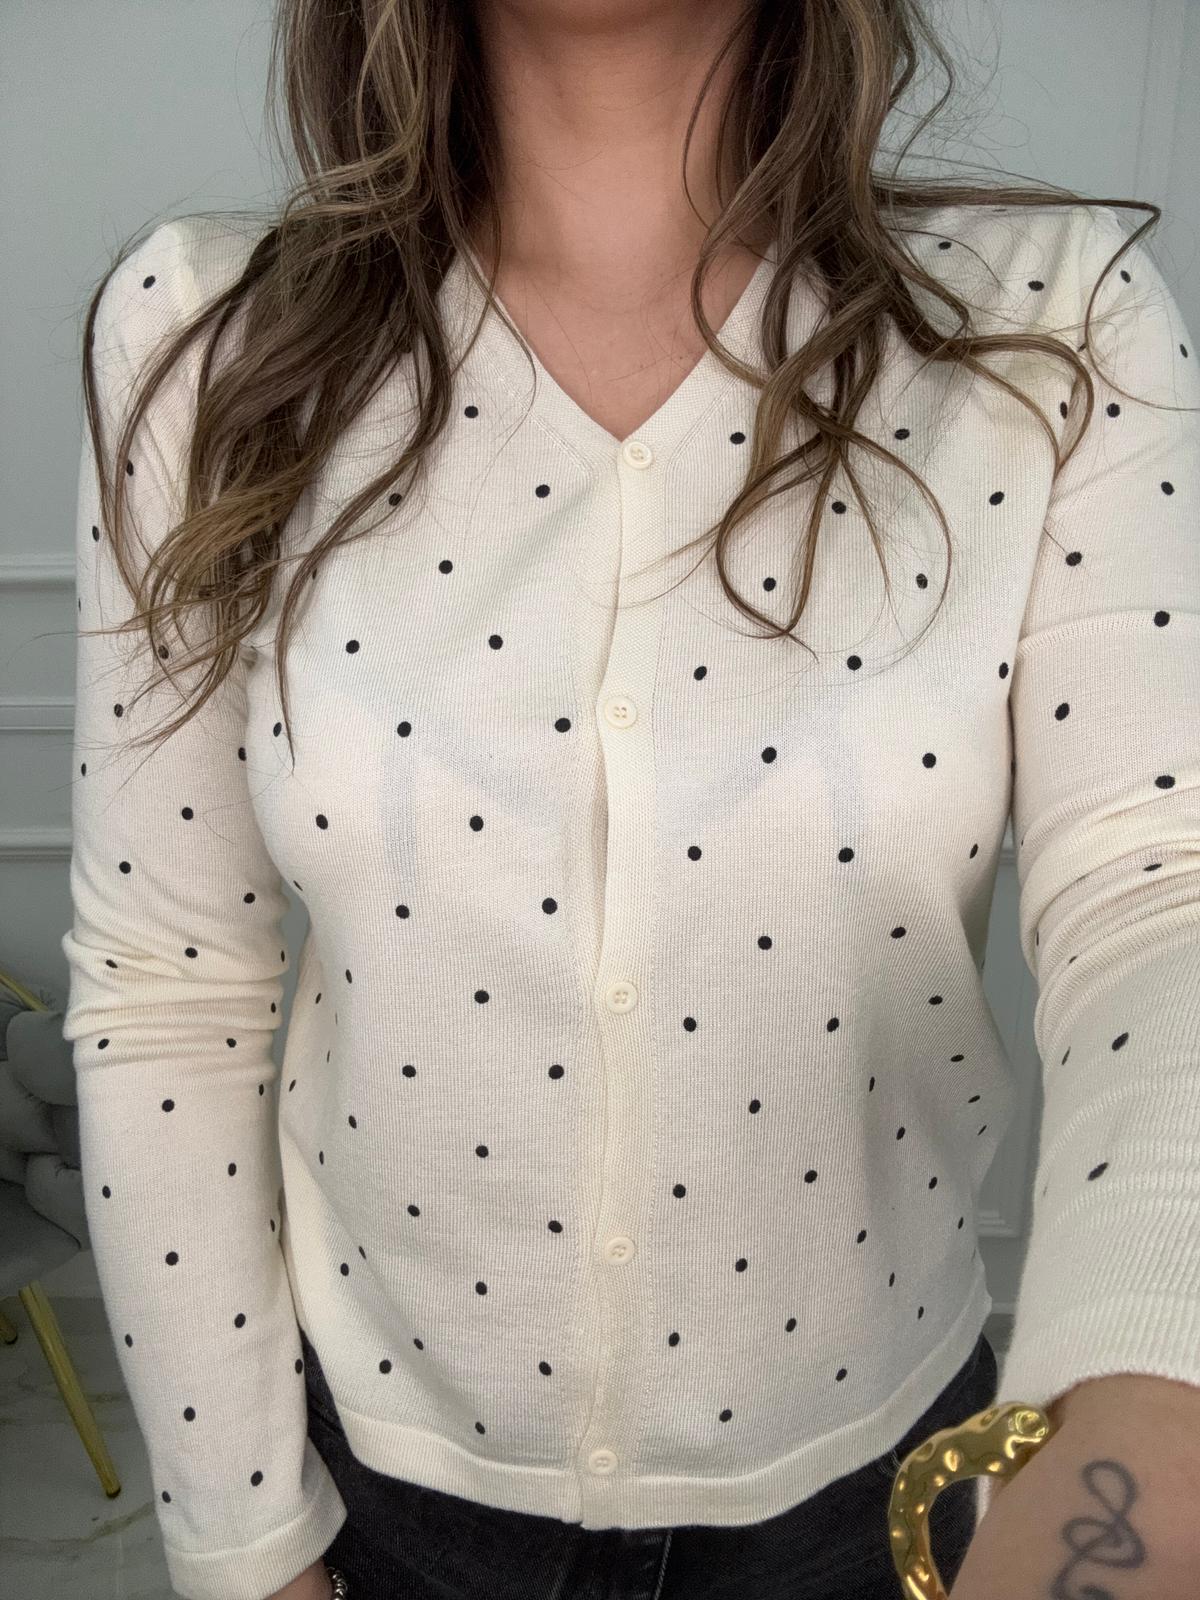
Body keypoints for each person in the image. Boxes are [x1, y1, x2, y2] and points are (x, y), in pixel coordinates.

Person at [62, 2, 1200, 1598]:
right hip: (392, 1508)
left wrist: (1142, 1443)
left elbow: (1159, 897)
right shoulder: (206, 341)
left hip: (879, 1502)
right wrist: (247, 1553)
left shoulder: (1049, 326)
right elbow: (168, 985)